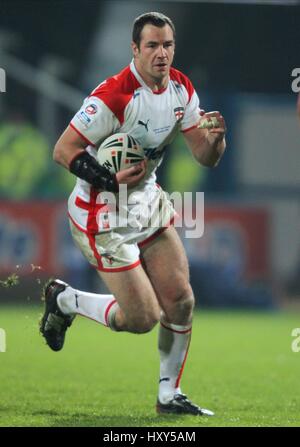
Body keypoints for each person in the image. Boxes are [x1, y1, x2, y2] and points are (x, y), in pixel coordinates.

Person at [40, 12, 226, 416]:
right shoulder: (114, 95)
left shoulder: (181, 88)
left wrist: (216, 141)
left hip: (145, 202)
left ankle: (169, 396)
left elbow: (204, 156)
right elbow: (63, 150)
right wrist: (109, 179)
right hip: (100, 211)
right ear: (135, 50)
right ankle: (65, 299)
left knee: (180, 300)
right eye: (153, 46)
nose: (162, 54)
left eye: (168, 45)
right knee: (142, 318)